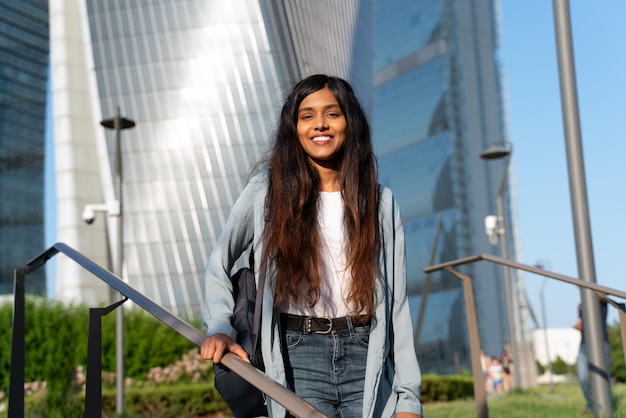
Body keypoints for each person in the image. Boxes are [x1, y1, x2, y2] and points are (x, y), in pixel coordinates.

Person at [200, 74, 423, 418]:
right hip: (296, 352)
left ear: (350, 122)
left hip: (364, 351)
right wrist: (220, 326)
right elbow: (220, 262)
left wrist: (408, 398)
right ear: (294, 128)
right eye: (307, 116)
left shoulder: (379, 202)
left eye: (332, 113)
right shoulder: (266, 193)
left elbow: (397, 305)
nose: (320, 124)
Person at [574, 294, 612, 414]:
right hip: (584, 344)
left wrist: (593, 290)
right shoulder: (581, 305)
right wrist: (579, 325)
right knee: (582, 376)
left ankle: (606, 409)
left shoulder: (600, 300)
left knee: (604, 376)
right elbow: (580, 321)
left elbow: (604, 296)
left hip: (601, 342)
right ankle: (592, 405)